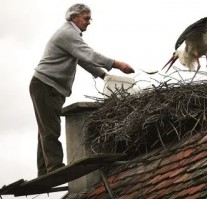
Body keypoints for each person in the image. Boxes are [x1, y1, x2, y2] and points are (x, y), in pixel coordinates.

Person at [29, 3, 134, 177]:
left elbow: (83, 60)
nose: (89, 22)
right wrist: (117, 64)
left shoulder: (71, 35)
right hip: (45, 85)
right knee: (50, 129)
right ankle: (54, 168)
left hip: (49, 87)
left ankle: (44, 170)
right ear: (74, 17)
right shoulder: (68, 34)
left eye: (89, 18)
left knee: (46, 128)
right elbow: (90, 55)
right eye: (86, 18)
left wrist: (103, 75)